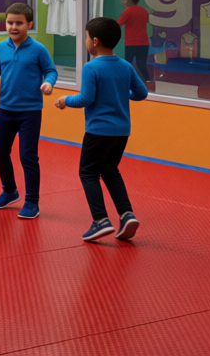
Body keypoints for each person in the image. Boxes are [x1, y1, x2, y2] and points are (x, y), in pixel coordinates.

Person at [55, 17, 148, 242]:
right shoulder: (125, 66)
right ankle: (127, 214)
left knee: (88, 173)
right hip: (121, 131)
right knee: (110, 170)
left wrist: (65, 100)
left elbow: (85, 99)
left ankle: (100, 220)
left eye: (87, 37)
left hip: (98, 131)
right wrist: (119, 94)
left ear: (95, 41)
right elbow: (142, 93)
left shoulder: (91, 67)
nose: (86, 41)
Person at [0, 3, 57, 220]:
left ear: (29, 24)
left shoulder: (38, 49)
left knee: (28, 156)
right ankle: (10, 191)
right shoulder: (0, 48)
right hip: (5, 110)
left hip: (30, 112)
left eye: (19, 23)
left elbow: (50, 71)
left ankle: (32, 201)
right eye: (10, 22)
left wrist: (49, 83)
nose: (13, 27)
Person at [117, 0, 151, 84]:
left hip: (131, 43)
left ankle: (125, 81)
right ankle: (148, 81)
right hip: (144, 42)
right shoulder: (144, 11)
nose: (122, 1)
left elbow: (119, 23)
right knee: (141, 64)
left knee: (128, 63)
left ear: (129, 0)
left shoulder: (127, 11)